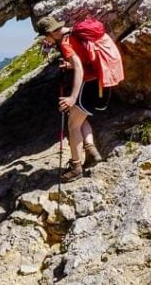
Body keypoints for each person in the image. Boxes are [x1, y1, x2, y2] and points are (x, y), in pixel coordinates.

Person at [36, 16, 124, 182]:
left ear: (50, 33)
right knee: (79, 117)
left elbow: (79, 69)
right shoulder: (74, 34)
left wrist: (72, 97)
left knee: (73, 125)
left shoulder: (65, 42)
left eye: (44, 36)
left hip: (89, 86)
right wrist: (69, 65)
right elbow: (82, 60)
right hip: (101, 82)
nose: (45, 40)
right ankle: (91, 151)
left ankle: (76, 167)